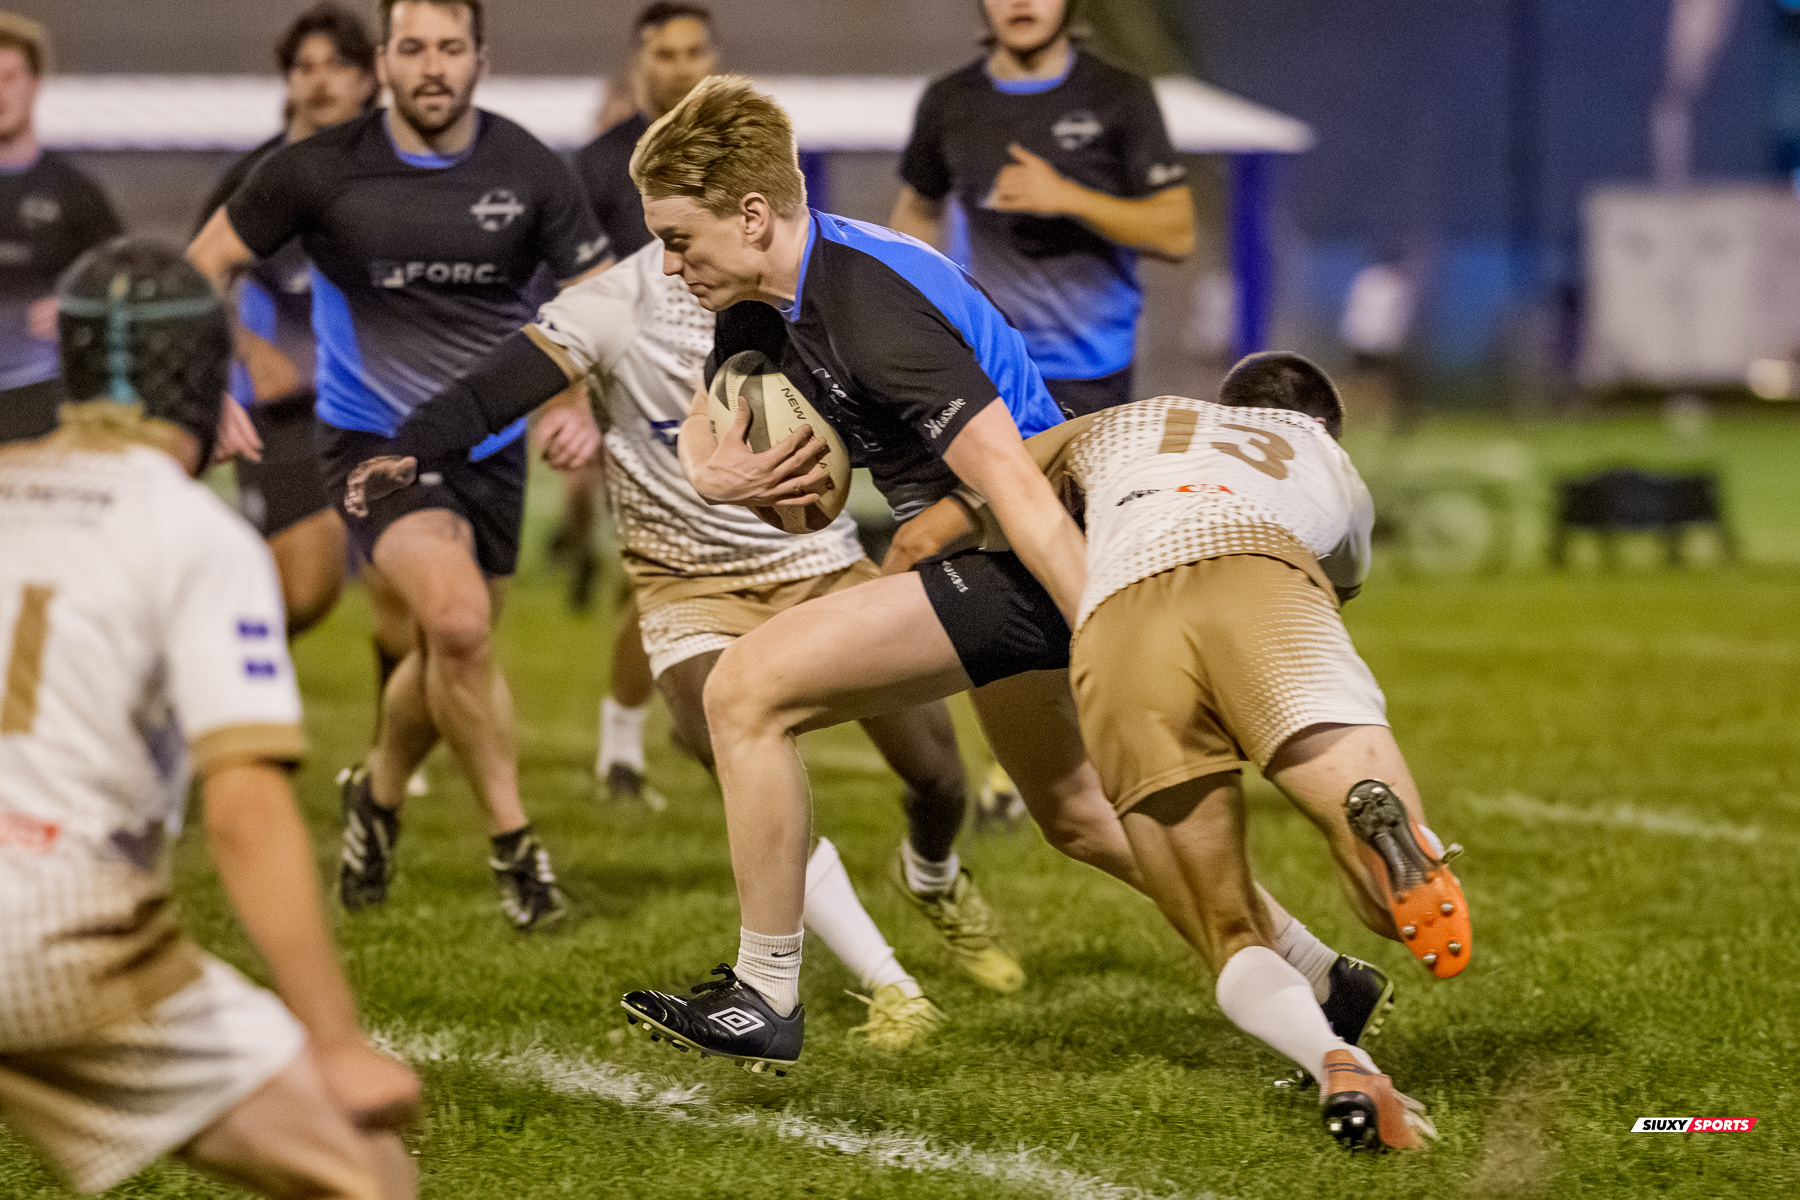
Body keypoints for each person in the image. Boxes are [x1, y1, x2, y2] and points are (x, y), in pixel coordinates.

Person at [361, 75, 1382, 1073]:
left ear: (752, 215)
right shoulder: (763, 301)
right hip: (1011, 551)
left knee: (744, 693)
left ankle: (766, 992)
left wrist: (1111, 640)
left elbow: (1018, 493)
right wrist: (717, 476)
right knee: (1078, 816)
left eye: (678, 238)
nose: (669, 266)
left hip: (1040, 550)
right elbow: (761, 454)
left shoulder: (871, 305)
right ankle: (1322, 975)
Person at [433, 237, 1023, 1041]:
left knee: (939, 775)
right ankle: (889, 985)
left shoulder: (796, 294)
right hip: (687, 585)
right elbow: (513, 377)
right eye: (664, 232)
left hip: (817, 564)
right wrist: (416, 444)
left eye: (686, 235)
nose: (677, 257)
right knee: (732, 740)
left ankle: (932, 873)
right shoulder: (615, 301)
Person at [897, 353, 1473, 1150]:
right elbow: (1336, 584)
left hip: (1121, 617)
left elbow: (952, 516)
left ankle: (1337, 1061)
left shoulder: (1131, 418)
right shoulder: (1330, 462)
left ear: (1222, 402)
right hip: (1265, 584)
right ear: (1322, 426)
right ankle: (1385, 836)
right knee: (1373, 859)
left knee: (1226, 928)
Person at [0, 238, 420, 1198]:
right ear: (203, 379)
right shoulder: (198, 535)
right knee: (369, 1174)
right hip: (54, 934)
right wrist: (336, 1042)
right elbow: (245, 811)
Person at [189, 0, 611, 931]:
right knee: (457, 623)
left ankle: (375, 797)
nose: (432, 66)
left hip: (493, 446)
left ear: (480, 59)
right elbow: (204, 262)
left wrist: (576, 401)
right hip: (374, 442)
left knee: (445, 651)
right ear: (384, 60)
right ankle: (516, 849)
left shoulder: (529, 168)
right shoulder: (314, 168)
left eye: (450, 48)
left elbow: (597, 294)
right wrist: (209, 381)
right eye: (413, 48)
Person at [888, 0, 1193, 419]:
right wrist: (910, 317)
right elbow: (919, 210)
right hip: (981, 364)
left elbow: (1177, 235)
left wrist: (1070, 197)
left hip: (1088, 375)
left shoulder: (1121, 95)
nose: (1021, 2)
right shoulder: (949, 100)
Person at [193, 3, 379, 638]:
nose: (320, 80)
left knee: (410, 596)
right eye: (306, 67)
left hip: (386, 402)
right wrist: (248, 349)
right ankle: (213, 668)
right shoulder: (253, 180)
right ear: (288, 80)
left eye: (338, 65)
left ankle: (389, 714)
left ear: (368, 79)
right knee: (303, 590)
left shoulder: (397, 173)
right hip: (287, 413)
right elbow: (198, 278)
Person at [571, 1, 720, 795]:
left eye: (695, 51)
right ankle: (626, 742)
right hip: (638, 395)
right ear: (639, 64)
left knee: (742, 566)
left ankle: (702, 714)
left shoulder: (749, 151)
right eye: (666, 53)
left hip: (740, 382)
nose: (682, 67)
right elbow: (572, 286)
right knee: (667, 567)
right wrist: (571, 394)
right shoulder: (600, 166)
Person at [0, 12, 122, 445]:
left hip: (45, 399)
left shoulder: (75, 193)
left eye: (9, 77)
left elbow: (123, 286)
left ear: (34, 85)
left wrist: (79, 304)